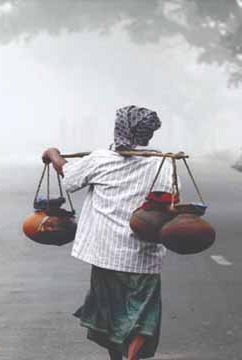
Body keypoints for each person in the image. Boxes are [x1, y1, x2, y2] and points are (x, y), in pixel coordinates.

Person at [41, 105, 176, 360]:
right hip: (143, 255)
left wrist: (53, 154)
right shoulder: (162, 163)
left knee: (111, 312)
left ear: (120, 129)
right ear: (148, 133)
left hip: (106, 253)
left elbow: (69, 177)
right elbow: (170, 201)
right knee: (142, 315)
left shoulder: (100, 159)